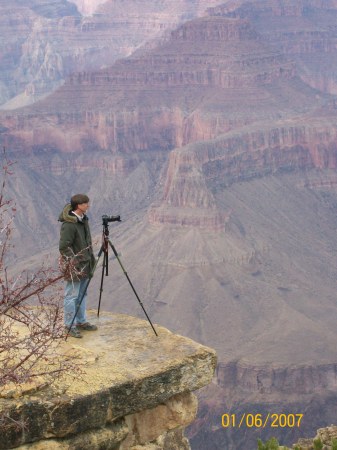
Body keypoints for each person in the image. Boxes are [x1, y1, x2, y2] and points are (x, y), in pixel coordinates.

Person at [59, 194, 97, 338]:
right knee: (71, 296)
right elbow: (63, 247)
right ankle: (69, 325)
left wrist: (88, 260)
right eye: (86, 203)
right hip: (75, 266)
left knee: (82, 294)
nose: (88, 205)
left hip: (86, 264)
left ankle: (81, 321)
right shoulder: (69, 224)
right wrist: (74, 262)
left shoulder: (83, 220)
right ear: (78, 206)